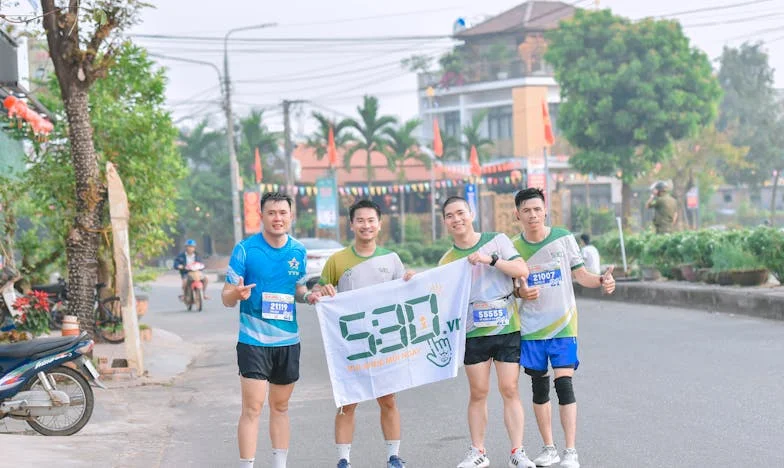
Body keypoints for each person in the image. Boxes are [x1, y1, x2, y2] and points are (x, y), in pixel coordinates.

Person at [512, 188, 616, 468]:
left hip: (563, 324)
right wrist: (522, 294)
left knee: (564, 384)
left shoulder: (563, 239)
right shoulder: (512, 248)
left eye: (537, 209)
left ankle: (571, 451)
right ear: (517, 214)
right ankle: (549, 448)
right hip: (531, 328)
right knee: (539, 388)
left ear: (545, 210)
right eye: (526, 210)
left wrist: (602, 282)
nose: (533, 215)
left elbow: (581, 275)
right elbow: (511, 289)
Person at [312, 199, 415, 468]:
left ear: (379, 225)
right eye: (360, 220)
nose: (366, 225)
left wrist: (410, 281)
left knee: (388, 400)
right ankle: (343, 459)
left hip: (385, 342)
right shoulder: (337, 260)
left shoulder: (391, 259)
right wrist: (322, 292)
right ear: (351, 224)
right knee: (348, 402)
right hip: (351, 344)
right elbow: (317, 293)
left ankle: (394, 456)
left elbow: (405, 295)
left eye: (371, 220)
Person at [221, 192, 319, 468]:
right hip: (253, 340)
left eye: (283, 213)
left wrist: (309, 296)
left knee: (281, 407)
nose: (278, 218)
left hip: (288, 341)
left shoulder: (298, 251)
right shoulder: (245, 249)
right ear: (262, 216)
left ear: (291, 216)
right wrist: (236, 295)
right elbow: (226, 296)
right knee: (252, 408)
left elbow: (298, 290)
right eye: (271, 213)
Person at [436, 196, 535, 468]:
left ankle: (517, 451)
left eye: (460, 213)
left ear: (471, 213)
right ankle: (478, 451)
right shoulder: (447, 260)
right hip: (473, 333)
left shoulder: (497, 240)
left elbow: (521, 269)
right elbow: (438, 298)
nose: (456, 219)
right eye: (450, 216)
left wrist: (489, 260)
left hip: (506, 327)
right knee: (478, 392)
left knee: (509, 388)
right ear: (444, 221)